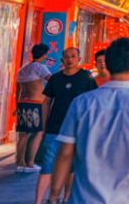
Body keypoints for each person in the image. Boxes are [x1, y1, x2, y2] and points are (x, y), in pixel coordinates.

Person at [48, 37, 129, 204]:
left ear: (108, 65)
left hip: (83, 198)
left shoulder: (82, 103)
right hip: (127, 198)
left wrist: (54, 196)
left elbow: (65, 154)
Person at [34, 47, 97, 204]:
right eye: (67, 57)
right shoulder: (55, 79)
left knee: (72, 168)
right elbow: (46, 102)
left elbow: (93, 103)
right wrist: (43, 125)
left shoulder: (87, 78)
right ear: (62, 59)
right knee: (47, 166)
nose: (70, 60)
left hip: (78, 130)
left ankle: (66, 198)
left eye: (73, 57)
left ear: (79, 58)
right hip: (54, 128)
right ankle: (39, 200)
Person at [15, 43, 52, 173]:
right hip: (35, 103)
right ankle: (30, 163)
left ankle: (20, 163)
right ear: (44, 55)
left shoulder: (22, 69)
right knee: (38, 132)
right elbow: (52, 81)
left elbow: (18, 91)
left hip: (22, 103)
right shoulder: (39, 67)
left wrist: (16, 107)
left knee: (22, 135)